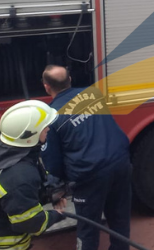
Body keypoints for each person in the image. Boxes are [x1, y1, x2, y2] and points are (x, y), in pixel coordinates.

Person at [40, 65, 132, 250]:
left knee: (88, 227)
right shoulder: (94, 94)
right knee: (120, 217)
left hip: (89, 175)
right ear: (70, 80)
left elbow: (53, 162)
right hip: (121, 162)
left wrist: (56, 189)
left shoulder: (51, 116)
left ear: (46, 87)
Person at [0, 100, 66, 250]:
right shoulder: (21, 177)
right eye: (44, 127)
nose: (48, 129)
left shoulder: (14, 153)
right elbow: (31, 223)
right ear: (30, 135)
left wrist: (51, 194)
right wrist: (57, 214)